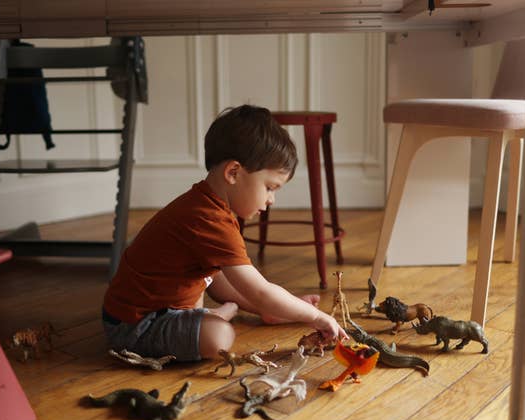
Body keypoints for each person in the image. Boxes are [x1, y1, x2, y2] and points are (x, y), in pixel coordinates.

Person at [102, 104, 348, 362]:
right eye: (269, 187)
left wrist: (268, 307)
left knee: (220, 272)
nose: (271, 199)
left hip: (137, 312)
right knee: (219, 336)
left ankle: (233, 314)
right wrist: (317, 317)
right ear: (233, 172)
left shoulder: (206, 204)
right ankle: (210, 319)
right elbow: (260, 290)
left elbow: (222, 282)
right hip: (136, 326)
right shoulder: (208, 218)